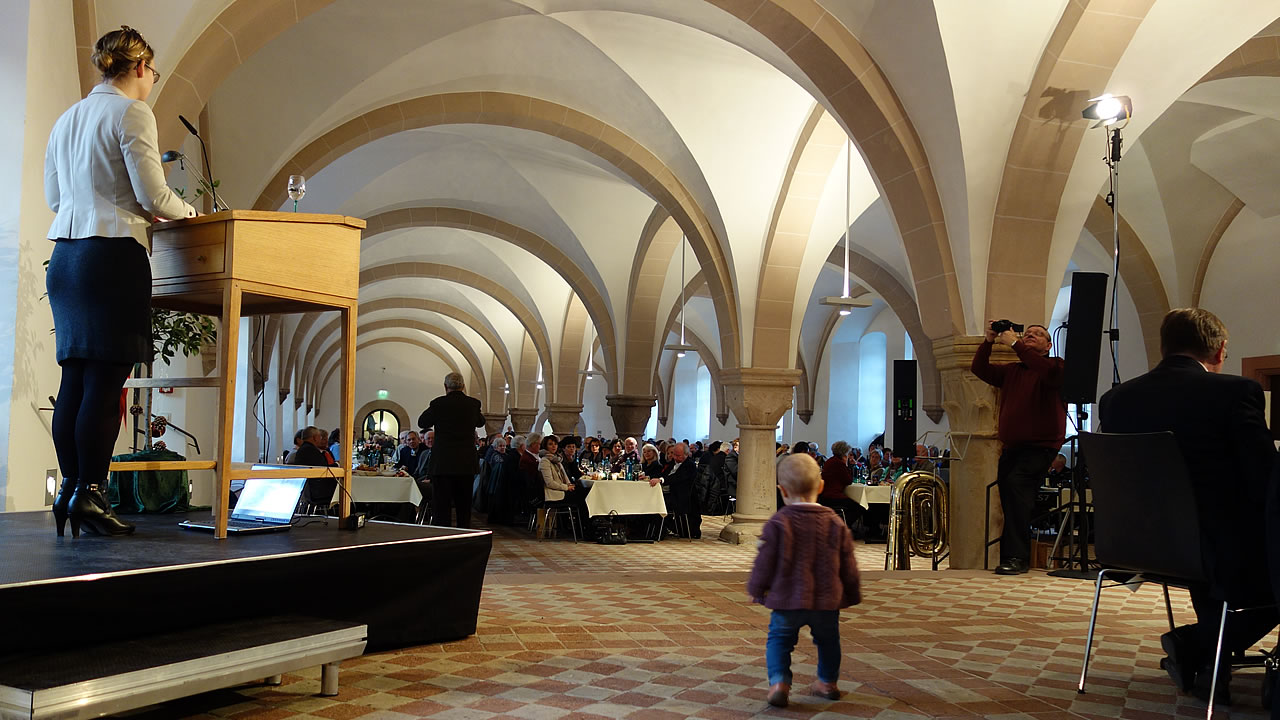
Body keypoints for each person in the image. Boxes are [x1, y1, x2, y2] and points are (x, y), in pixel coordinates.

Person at [44, 25, 198, 538]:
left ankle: (71, 489)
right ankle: (91, 492)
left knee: (75, 380)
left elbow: (53, 197)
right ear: (139, 68)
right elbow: (155, 198)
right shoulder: (132, 112)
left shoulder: (67, 119)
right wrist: (191, 212)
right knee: (106, 384)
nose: (151, 80)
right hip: (110, 256)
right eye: (152, 71)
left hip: (66, 259)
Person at [1100, 308, 1277, 703]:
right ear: (1220, 350)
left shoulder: (1115, 400)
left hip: (1139, 546)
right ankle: (1199, 646)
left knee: (1220, 547)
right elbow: (1265, 477)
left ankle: (1208, 655)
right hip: (1213, 548)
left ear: (1164, 347)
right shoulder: (1234, 392)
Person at [747, 453, 861, 708]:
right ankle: (827, 682)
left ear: (782, 490)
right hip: (826, 601)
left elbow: (764, 560)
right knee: (829, 641)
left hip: (787, 600)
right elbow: (848, 563)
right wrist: (852, 592)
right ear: (820, 487)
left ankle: (779, 682)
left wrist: (757, 588)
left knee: (779, 640)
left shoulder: (779, 522)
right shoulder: (834, 522)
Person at [970, 321, 1066, 575]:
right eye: (1029, 333)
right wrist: (988, 341)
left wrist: (1015, 343)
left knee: (1017, 490)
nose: (1031, 336)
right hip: (1012, 448)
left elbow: (1045, 371)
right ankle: (1013, 557)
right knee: (1012, 500)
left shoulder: (1055, 366)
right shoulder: (1013, 370)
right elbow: (979, 369)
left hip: (1040, 447)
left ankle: (1016, 558)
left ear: (1049, 345)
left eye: (1039, 334)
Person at [417, 372, 486, 528]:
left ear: (445, 386)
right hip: (465, 463)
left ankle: (442, 536)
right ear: (463, 387)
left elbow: (422, 422)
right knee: (464, 504)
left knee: (441, 504)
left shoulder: (438, 404)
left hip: (443, 462)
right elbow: (481, 422)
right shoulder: (473, 404)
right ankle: (463, 533)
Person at [659, 442, 701, 538]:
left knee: (660, 504)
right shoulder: (672, 463)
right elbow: (664, 474)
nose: (675, 457)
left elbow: (677, 478)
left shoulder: (690, 465)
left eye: (678, 455)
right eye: (674, 454)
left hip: (683, 497)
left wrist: (662, 480)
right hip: (671, 494)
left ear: (686, 455)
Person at [819, 441, 862, 529]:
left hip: (825, 495)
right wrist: (848, 465)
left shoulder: (830, 461)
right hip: (833, 496)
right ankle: (843, 527)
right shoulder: (839, 463)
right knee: (859, 508)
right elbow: (848, 480)